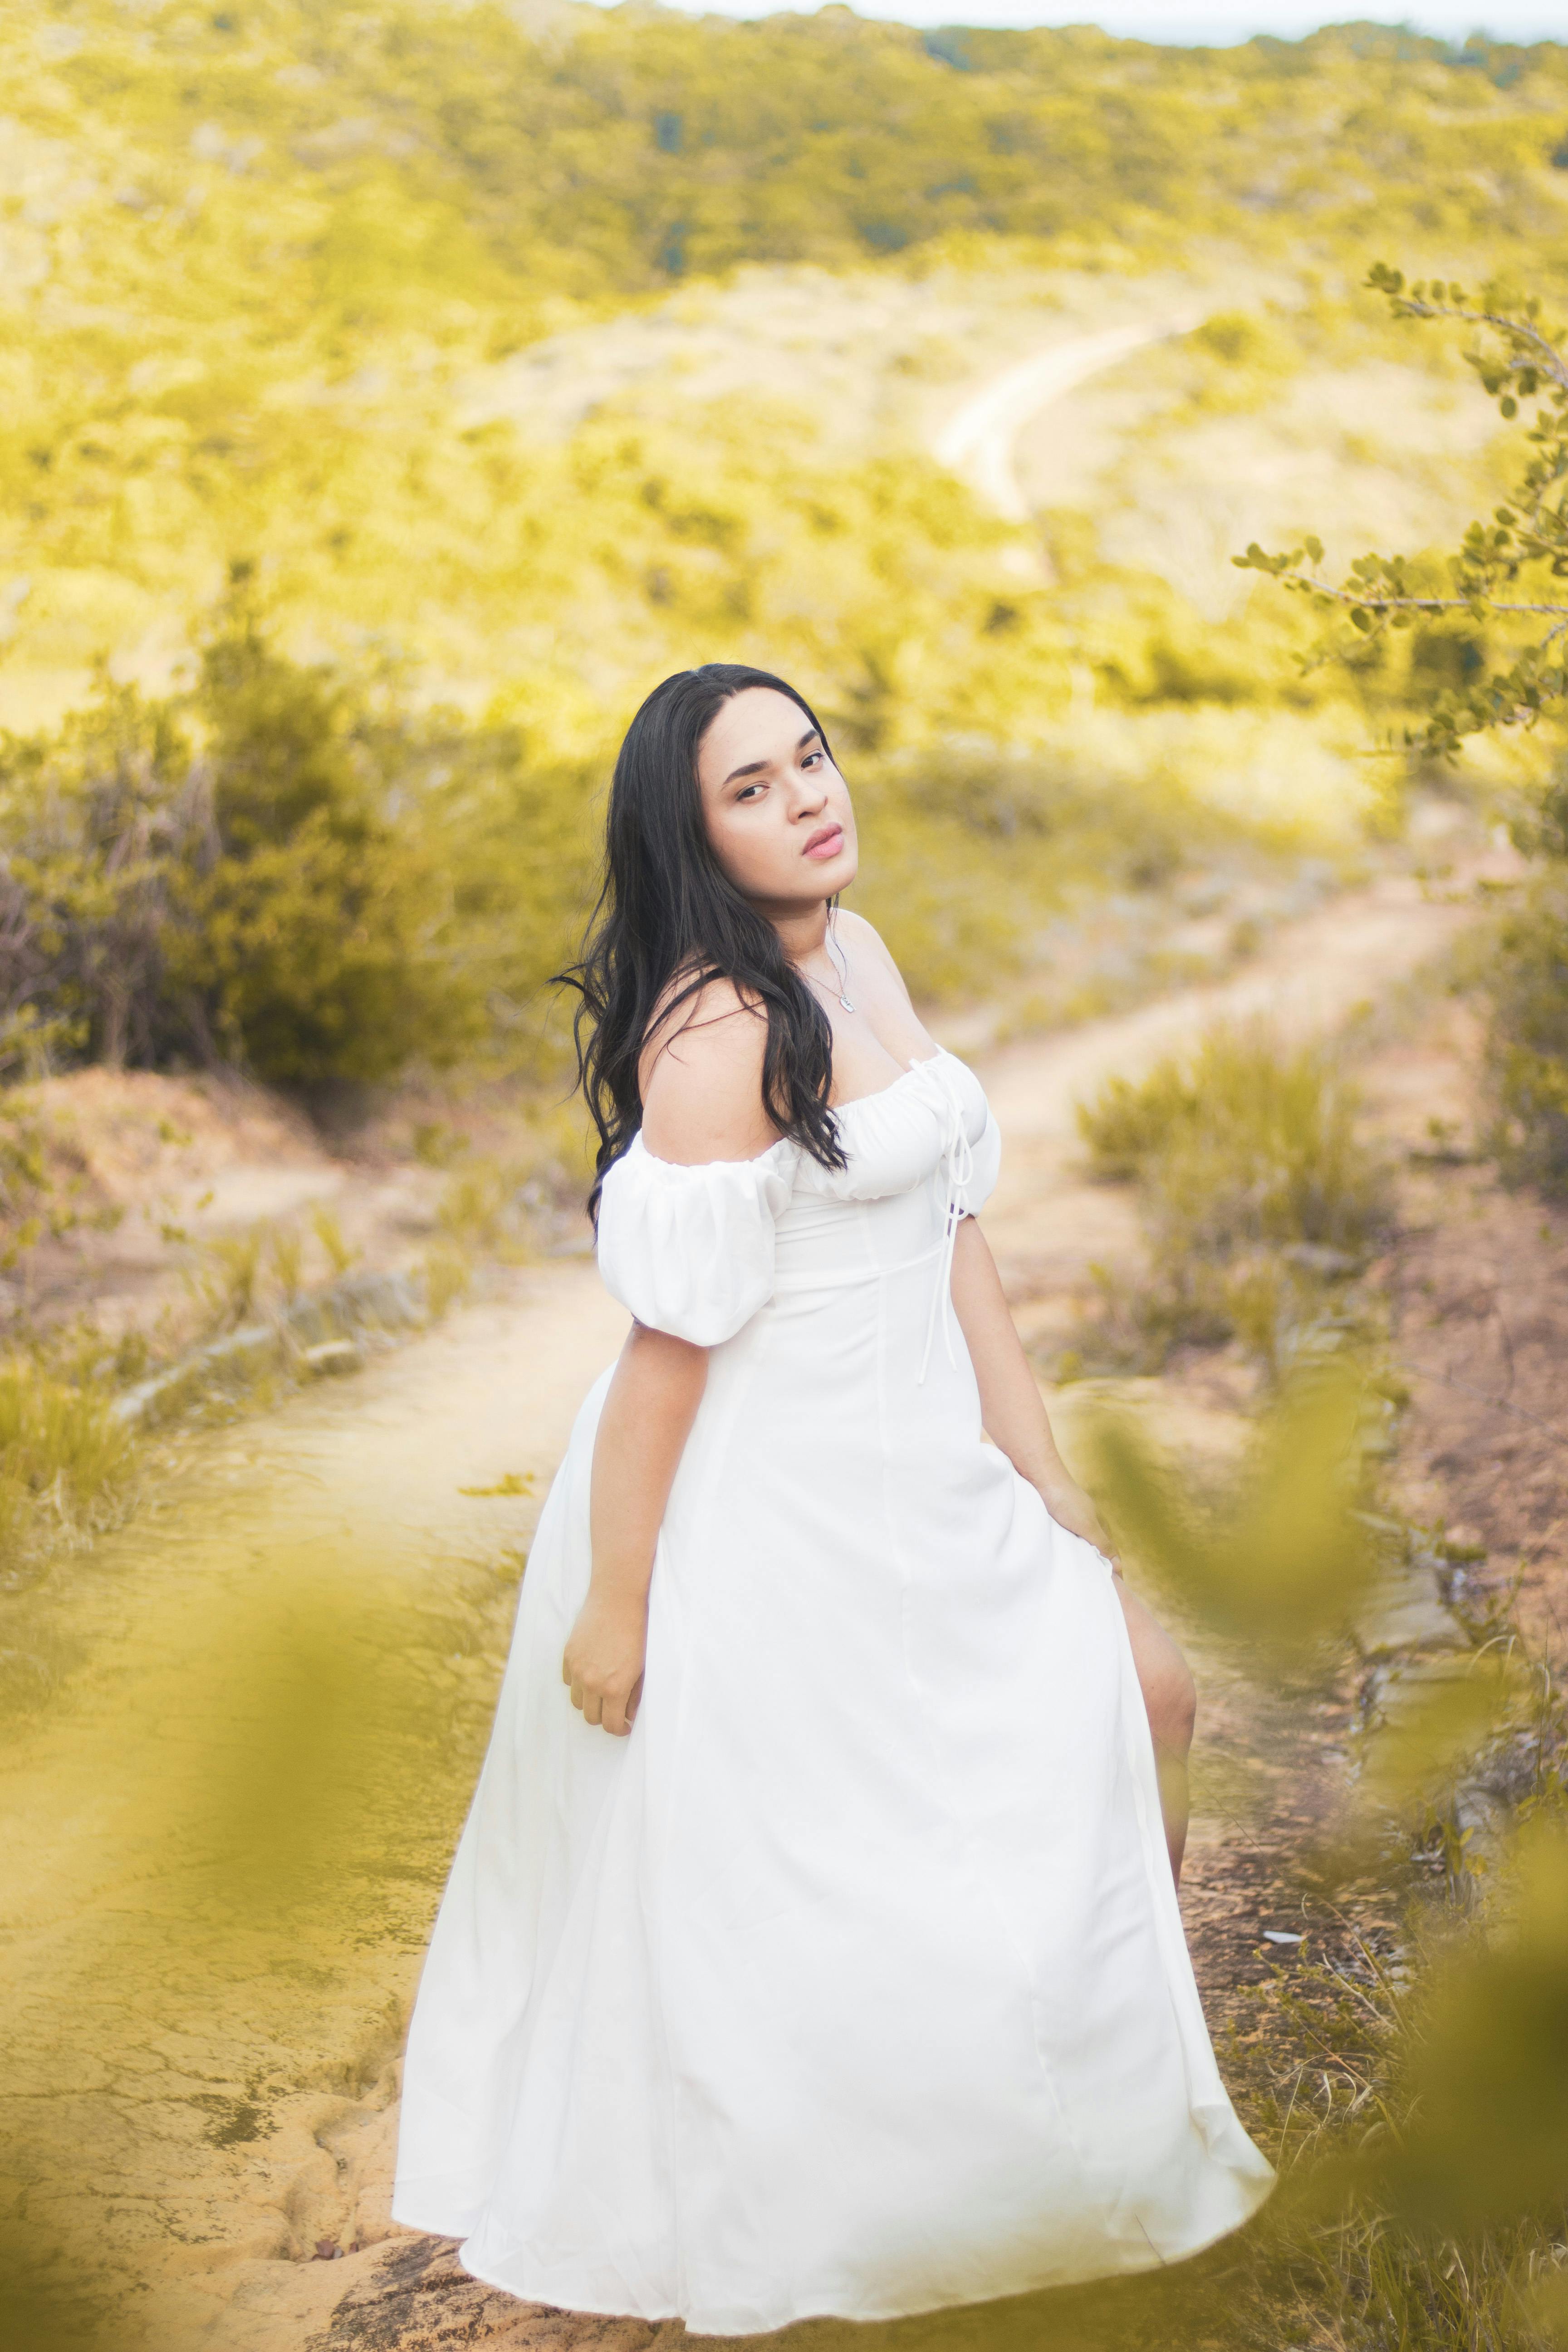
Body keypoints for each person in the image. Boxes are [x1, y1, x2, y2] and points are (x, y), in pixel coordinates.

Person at [392, 664, 1272, 2332]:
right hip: (769, 1497)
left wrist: (1052, 1480)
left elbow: (954, 1233)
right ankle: (856, 2223)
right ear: (695, 836)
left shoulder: (855, 950)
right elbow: (670, 1350)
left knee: (1143, 1690)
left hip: (923, 1459)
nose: (809, 795)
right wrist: (617, 1598)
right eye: (754, 787)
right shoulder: (715, 1031)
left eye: (812, 756)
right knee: (821, 1881)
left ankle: (1091, 2114)